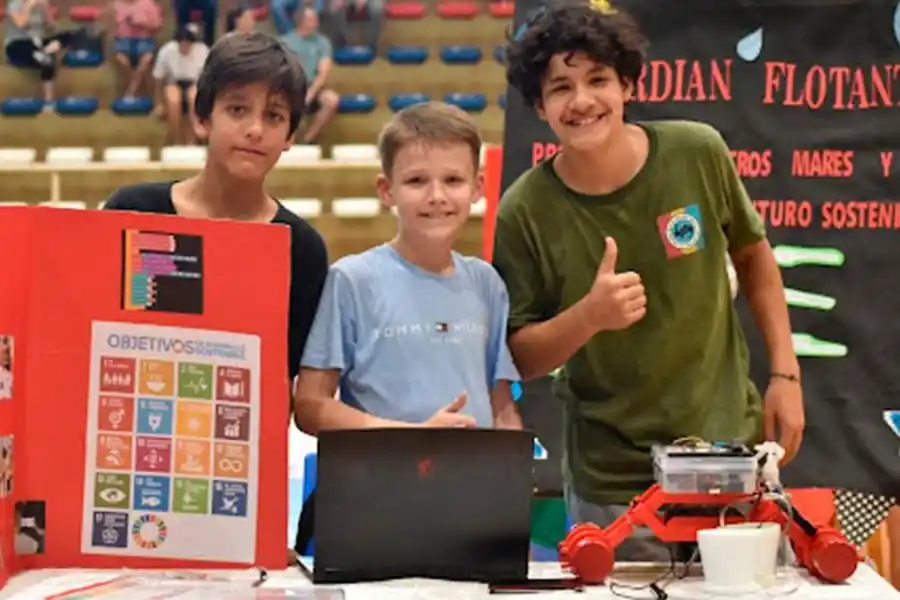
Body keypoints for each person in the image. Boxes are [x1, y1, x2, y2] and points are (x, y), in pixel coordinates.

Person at [496, 2, 803, 561]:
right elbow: (519, 357)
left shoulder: (697, 150)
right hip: (612, 482)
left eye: (598, 79)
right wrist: (588, 316)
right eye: (560, 87)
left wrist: (786, 373)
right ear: (540, 106)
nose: (582, 100)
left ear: (628, 85)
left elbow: (755, 256)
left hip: (729, 454)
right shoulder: (523, 211)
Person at [292, 102, 523, 555]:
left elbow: (502, 405)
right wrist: (404, 436)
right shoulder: (353, 280)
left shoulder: (486, 283)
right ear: (386, 189)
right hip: (378, 506)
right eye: (417, 180)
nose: (436, 195)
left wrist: (511, 482)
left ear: (477, 188)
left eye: (453, 180)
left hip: (470, 512)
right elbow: (311, 406)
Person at [103, 32, 329, 412]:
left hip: (237, 447)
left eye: (273, 116)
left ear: (290, 135)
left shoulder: (302, 248)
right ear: (202, 118)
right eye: (238, 110)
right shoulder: (133, 212)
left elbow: (284, 380)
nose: (255, 129)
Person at [3, 0, 84, 108]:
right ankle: (49, 101)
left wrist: (46, 10)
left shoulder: (41, 4)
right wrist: (29, 6)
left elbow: (51, 27)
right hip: (18, 43)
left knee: (74, 34)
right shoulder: (14, 4)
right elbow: (21, 24)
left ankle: (49, 48)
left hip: (40, 40)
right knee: (46, 60)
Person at [280, 7, 339, 144]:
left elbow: (323, 73)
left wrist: (310, 94)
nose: (316, 23)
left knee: (331, 100)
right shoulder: (285, 42)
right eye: (312, 19)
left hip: (314, 87)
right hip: (292, 86)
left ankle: (307, 140)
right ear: (301, 21)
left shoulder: (323, 42)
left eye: (316, 19)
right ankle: (288, 142)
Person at [152, 25, 209, 145]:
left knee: (193, 97)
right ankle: (176, 140)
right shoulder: (167, 51)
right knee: (173, 100)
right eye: (182, 44)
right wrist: (158, 103)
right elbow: (158, 78)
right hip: (174, 83)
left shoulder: (203, 51)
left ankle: (192, 141)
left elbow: (208, 78)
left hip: (195, 83)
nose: (185, 47)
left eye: (188, 44)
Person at [111, 0, 163, 98]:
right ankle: (134, 89)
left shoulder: (148, 4)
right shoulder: (116, 4)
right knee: (121, 60)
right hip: (123, 40)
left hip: (144, 39)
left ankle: (130, 92)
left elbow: (157, 26)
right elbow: (112, 27)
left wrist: (142, 23)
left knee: (145, 62)